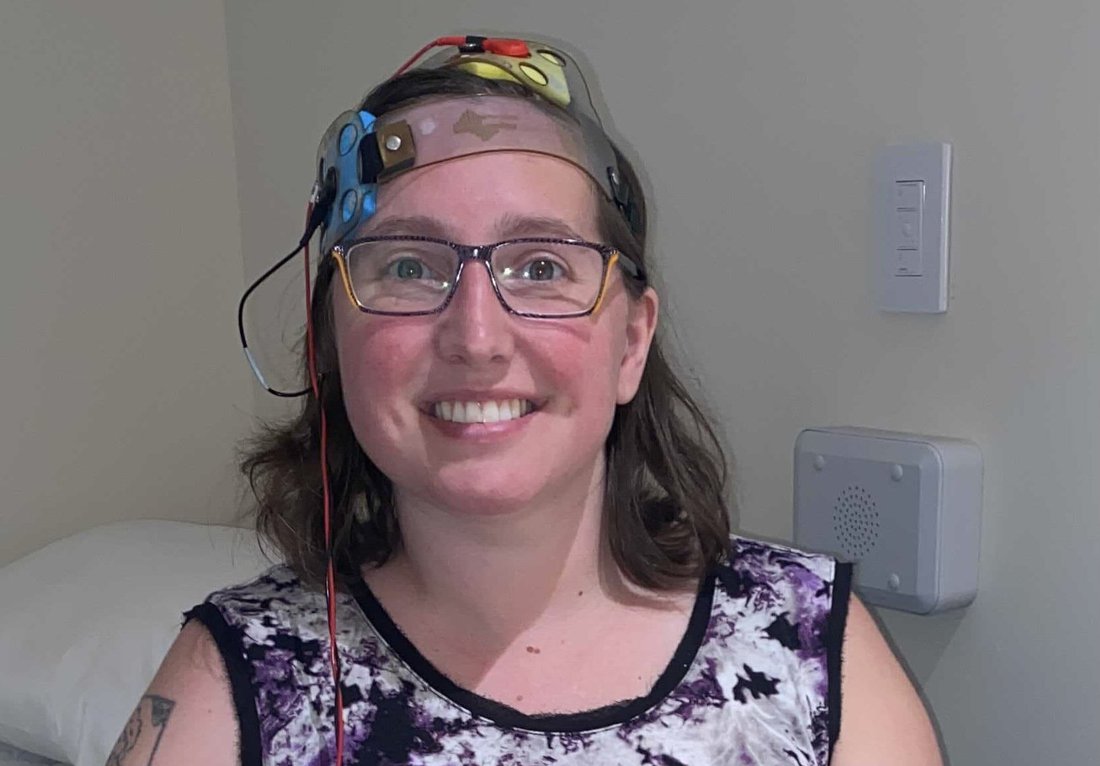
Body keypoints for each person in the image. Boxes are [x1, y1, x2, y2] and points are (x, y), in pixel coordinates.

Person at [107, 35, 943, 766]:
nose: (477, 336)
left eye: (541, 267)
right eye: (407, 266)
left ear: (632, 342)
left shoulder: (807, 641)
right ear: (333, 341)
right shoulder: (242, 678)